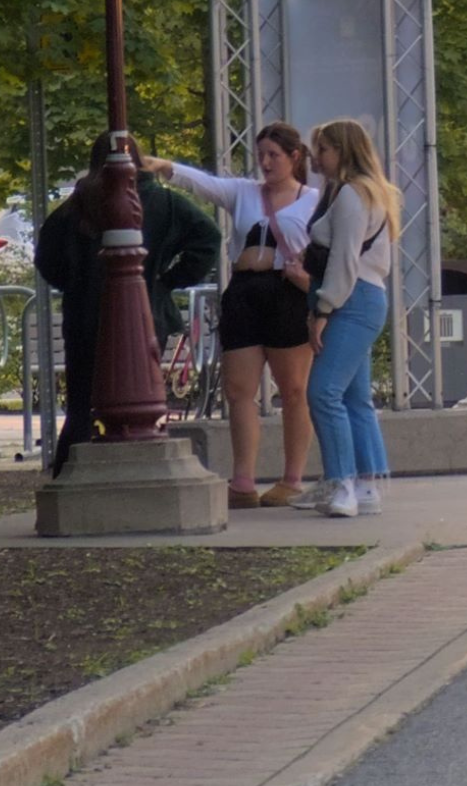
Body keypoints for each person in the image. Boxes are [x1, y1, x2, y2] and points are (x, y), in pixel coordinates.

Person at [140, 126, 322, 507]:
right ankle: (243, 481)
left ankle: (292, 478)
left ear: (294, 157)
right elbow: (205, 184)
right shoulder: (244, 192)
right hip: (244, 292)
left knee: (293, 390)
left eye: (274, 154)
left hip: (286, 294)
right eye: (262, 154)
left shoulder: (313, 201)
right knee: (239, 390)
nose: (266, 162)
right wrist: (164, 166)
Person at [37, 133, 219, 473]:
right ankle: (141, 470)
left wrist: (75, 285)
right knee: (142, 399)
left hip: (86, 317)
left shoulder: (75, 207)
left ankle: (69, 474)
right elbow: (208, 236)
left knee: (82, 404)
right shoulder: (163, 203)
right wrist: (168, 280)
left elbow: (46, 258)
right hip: (148, 312)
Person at [301, 117, 399, 519]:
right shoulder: (375, 194)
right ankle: (367, 483)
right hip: (368, 295)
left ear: (342, 151)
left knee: (322, 392)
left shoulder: (349, 197)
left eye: (323, 149)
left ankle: (341, 483)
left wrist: (322, 309)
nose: (316, 158)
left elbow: (343, 260)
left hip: (350, 299)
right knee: (355, 396)